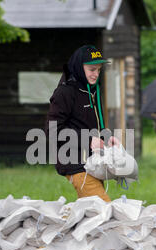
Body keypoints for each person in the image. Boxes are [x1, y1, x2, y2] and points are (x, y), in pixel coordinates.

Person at [45, 45, 120, 203]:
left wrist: (107, 138)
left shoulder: (93, 91)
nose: (96, 74)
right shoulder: (64, 93)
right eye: (92, 69)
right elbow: (52, 131)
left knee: (90, 212)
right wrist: (88, 140)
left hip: (94, 163)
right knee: (105, 208)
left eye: (99, 70)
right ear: (79, 67)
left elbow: (96, 124)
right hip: (75, 163)